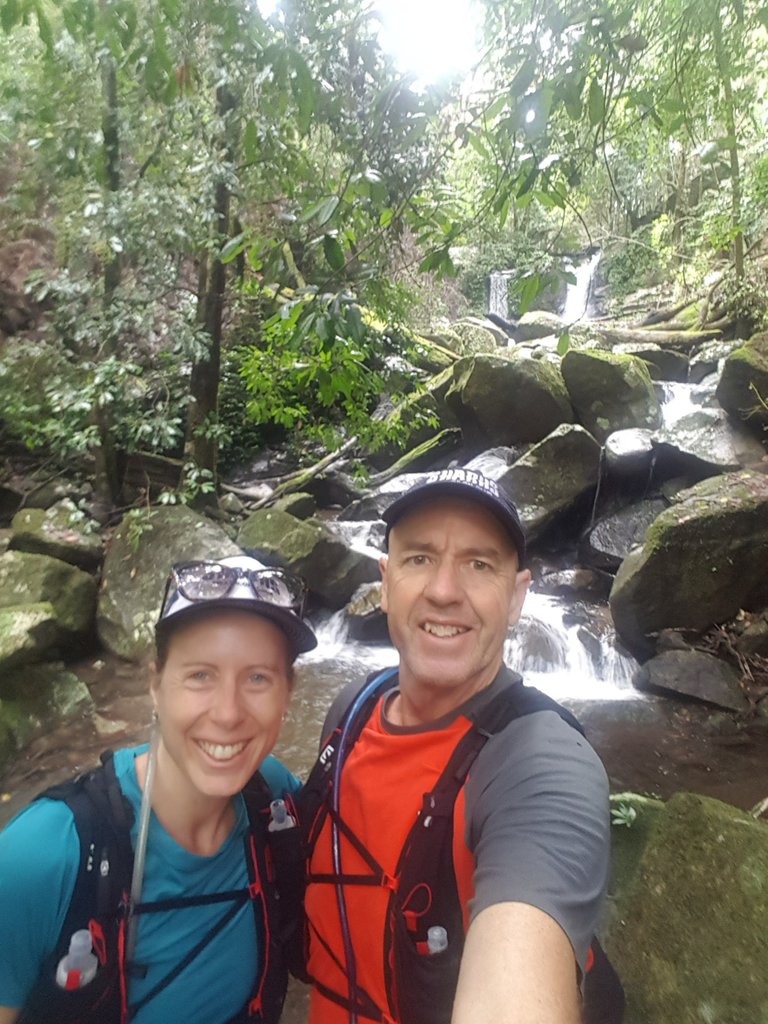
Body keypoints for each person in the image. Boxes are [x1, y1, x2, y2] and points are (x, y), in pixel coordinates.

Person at [298, 468, 615, 1024]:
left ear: (517, 596)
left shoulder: (540, 765)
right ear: (385, 579)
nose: (444, 591)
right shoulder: (351, 711)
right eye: (419, 558)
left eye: (479, 564)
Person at [0, 553, 317, 1024]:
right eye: (200, 676)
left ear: (288, 692)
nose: (228, 713)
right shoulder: (39, 858)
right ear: (155, 684)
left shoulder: (275, 800)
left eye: (257, 678)